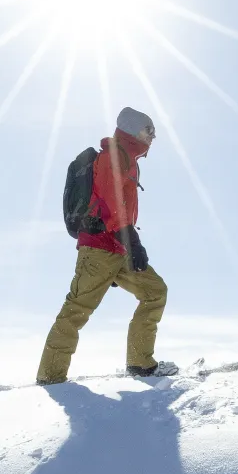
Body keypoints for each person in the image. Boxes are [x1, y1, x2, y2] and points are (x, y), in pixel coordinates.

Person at [35, 107, 175, 384]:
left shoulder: (128, 159)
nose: (153, 136)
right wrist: (133, 241)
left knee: (155, 292)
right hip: (100, 247)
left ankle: (140, 363)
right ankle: (50, 377)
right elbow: (112, 203)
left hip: (117, 247)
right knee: (77, 309)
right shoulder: (114, 155)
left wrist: (128, 244)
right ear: (133, 128)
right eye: (149, 129)